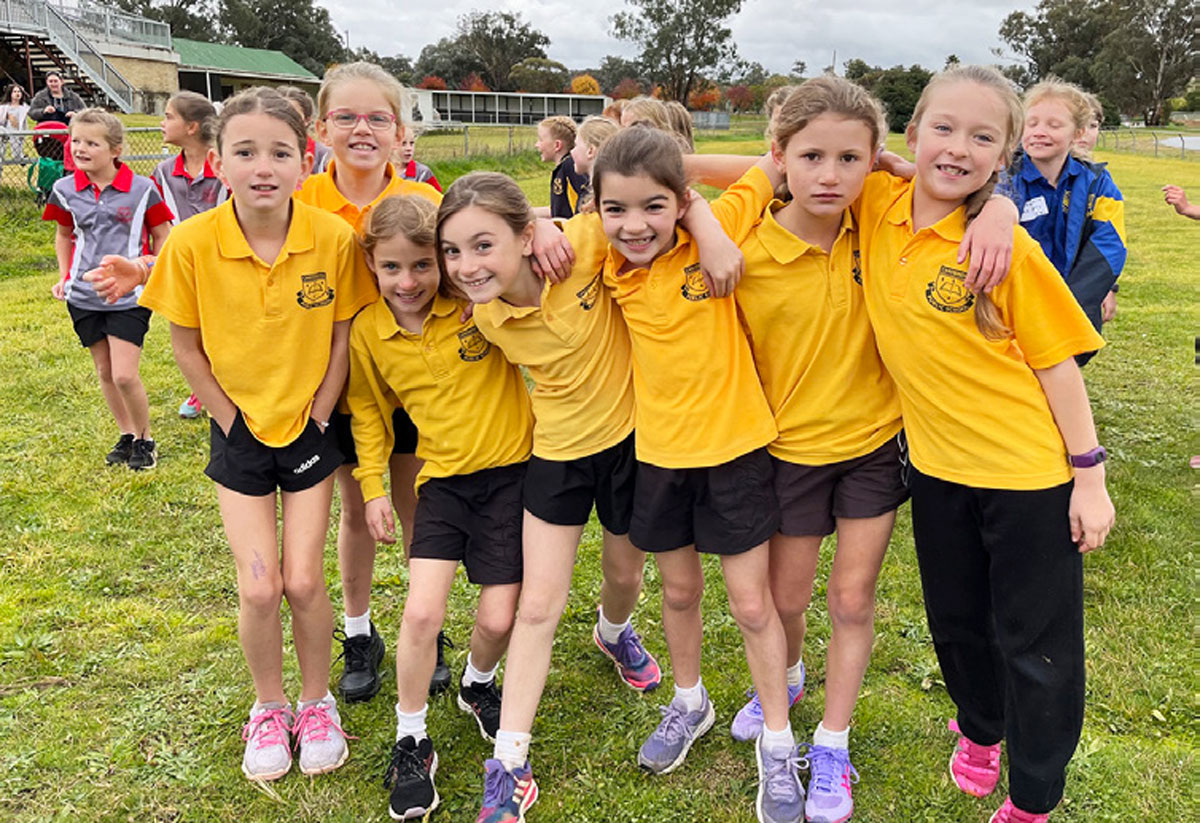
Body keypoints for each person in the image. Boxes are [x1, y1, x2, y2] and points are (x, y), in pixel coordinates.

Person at [856, 64, 1114, 823]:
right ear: (910, 136)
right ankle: (980, 725)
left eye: (982, 136)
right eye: (943, 128)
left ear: (1003, 155)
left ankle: (1034, 791)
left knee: (1034, 640)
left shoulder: (1005, 249)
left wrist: (1088, 476)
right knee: (957, 618)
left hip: (1027, 478)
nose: (958, 147)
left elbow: (1058, 365)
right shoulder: (874, 202)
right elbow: (786, 164)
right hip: (934, 471)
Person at [438, 172, 695, 822]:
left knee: (623, 571)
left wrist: (551, 223)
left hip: (633, 445)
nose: (468, 266)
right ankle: (511, 760)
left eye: (482, 246)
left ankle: (613, 632)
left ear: (526, 236)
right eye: (454, 251)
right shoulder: (482, 313)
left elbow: (655, 203)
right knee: (537, 605)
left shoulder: (580, 243)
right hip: (555, 456)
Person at [140, 86, 375, 781]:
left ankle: (315, 701)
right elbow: (185, 345)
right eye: (245, 151)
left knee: (304, 580)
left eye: (279, 152)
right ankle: (268, 707)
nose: (262, 166)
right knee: (260, 586)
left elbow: (341, 341)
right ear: (217, 160)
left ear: (306, 162)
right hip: (239, 434)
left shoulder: (332, 240)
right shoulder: (191, 242)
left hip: (310, 430)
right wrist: (228, 418)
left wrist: (323, 415)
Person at [596, 125, 805, 823]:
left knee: (752, 605)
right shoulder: (603, 250)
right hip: (657, 457)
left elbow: (768, 166)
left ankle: (778, 742)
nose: (634, 224)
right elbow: (534, 227)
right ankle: (691, 702)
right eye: (615, 209)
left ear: (678, 201)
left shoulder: (710, 227)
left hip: (738, 451)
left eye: (654, 207)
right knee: (680, 592)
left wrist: (704, 217)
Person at [719, 76, 905, 823]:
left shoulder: (884, 219)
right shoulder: (743, 248)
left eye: (851, 158)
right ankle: (787, 679)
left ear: (875, 162)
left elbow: (965, 180)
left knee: (853, 598)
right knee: (786, 600)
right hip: (787, 452)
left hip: (872, 446)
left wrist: (906, 173)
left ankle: (831, 743)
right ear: (779, 157)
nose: (831, 176)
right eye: (812, 156)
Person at [347, 194, 532, 820]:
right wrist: (374, 486)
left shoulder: (480, 306)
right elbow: (370, 412)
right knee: (422, 614)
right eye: (392, 268)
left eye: (423, 265)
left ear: (443, 262)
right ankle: (411, 737)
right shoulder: (369, 331)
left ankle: (478, 684)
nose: (409, 281)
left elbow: (521, 264)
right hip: (443, 485)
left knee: (501, 618)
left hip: (512, 479)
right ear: (371, 263)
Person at [295, 61, 443, 704]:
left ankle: (426, 628)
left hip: (413, 382)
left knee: (413, 504)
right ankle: (360, 633)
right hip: (331, 386)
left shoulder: (430, 202)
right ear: (321, 127)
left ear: (399, 129)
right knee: (357, 510)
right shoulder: (298, 205)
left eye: (377, 117)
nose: (362, 128)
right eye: (346, 117)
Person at [42, 108, 173, 471]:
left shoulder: (143, 188)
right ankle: (127, 433)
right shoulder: (63, 188)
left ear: (115, 149)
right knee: (104, 372)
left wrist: (154, 271)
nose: (80, 148)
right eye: (76, 141)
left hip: (128, 296)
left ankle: (146, 440)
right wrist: (64, 276)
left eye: (91, 143)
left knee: (124, 374)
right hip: (83, 297)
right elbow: (64, 235)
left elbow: (163, 234)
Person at [996, 77, 1126, 362]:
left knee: (1057, 383)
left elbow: (1110, 244)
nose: (1039, 132)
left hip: (1069, 310)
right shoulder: (1001, 178)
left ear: (1077, 132)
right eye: (1032, 124)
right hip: (1011, 313)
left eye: (1054, 125)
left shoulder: (1096, 182)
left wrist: (1071, 304)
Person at [152, 90, 227, 420]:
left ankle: (225, 384)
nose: (162, 123)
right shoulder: (164, 171)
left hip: (226, 259)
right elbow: (160, 222)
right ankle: (200, 389)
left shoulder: (225, 164)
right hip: (185, 261)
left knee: (223, 329)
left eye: (169, 116)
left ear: (192, 126)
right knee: (189, 329)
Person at [535, 115, 587, 218]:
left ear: (557, 145)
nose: (536, 144)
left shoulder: (570, 166)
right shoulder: (562, 168)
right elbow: (559, 210)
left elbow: (585, 198)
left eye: (540, 140)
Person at [278, 84, 332, 173]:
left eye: (294, 115)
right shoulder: (260, 153)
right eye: (279, 114)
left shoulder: (324, 157)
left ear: (307, 120)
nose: (285, 120)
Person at [567, 115, 619, 208]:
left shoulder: (601, 199)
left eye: (576, 145)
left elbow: (590, 222)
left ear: (590, 151)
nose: (571, 151)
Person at [395, 124, 442, 191]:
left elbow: (438, 197)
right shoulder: (382, 172)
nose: (409, 148)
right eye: (403, 144)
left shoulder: (423, 172)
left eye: (411, 143)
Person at [0, 83, 30, 160]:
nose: (17, 93)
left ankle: (19, 157)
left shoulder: (25, 107)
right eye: (15, 91)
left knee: (17, 146)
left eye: (19, 91)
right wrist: (7, 116)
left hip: (17, 129)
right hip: (4, 129)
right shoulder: (4, 107)